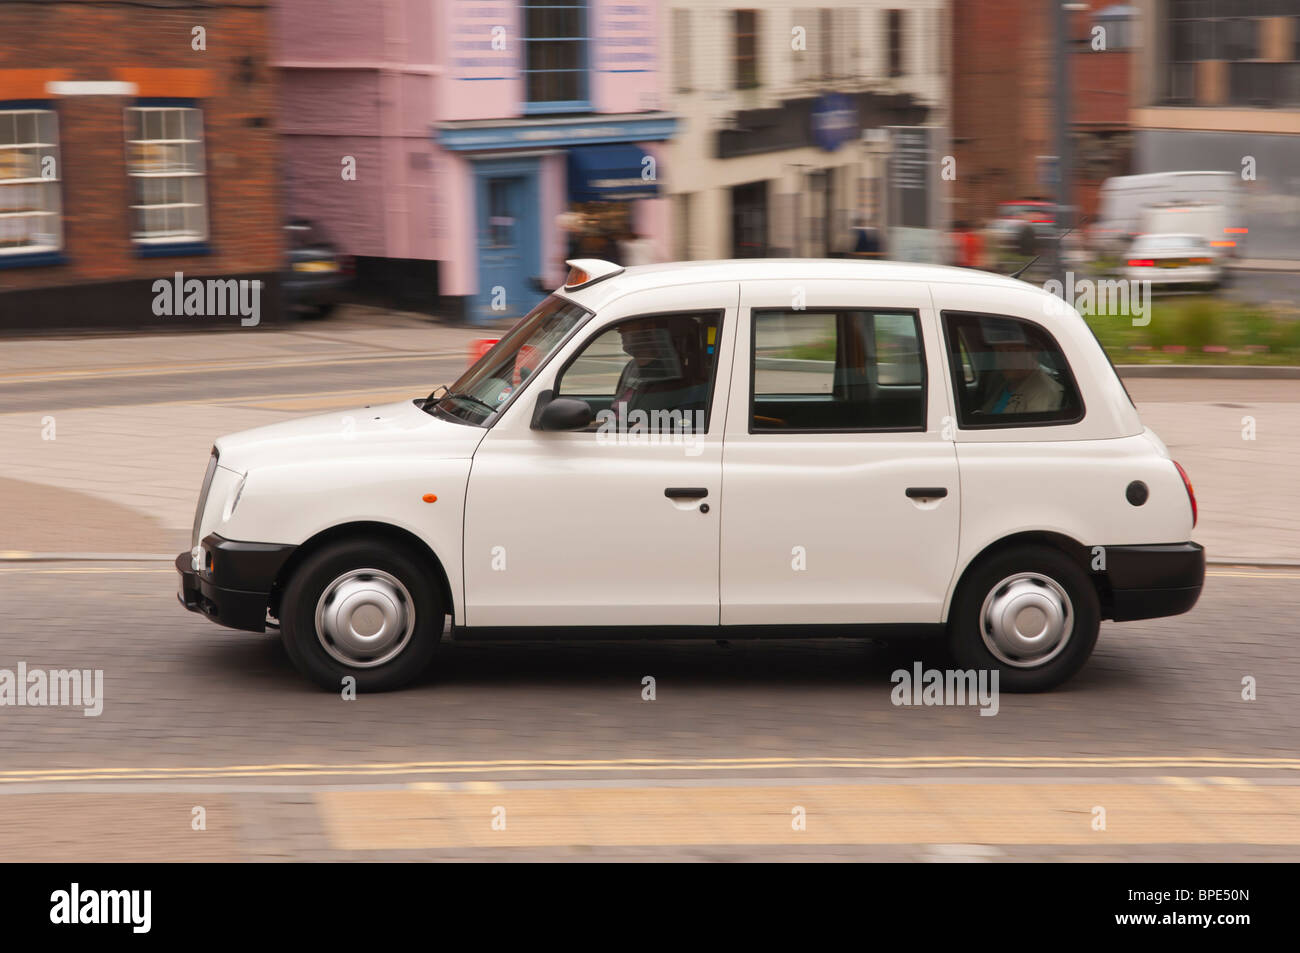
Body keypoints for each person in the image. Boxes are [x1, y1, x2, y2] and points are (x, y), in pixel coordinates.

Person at [979, 333, 1063, 414]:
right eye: (999, 351)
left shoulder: (1043, 392)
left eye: (1011, 351)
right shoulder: (1003, 381)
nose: (1003, 358)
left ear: (1033, 352)